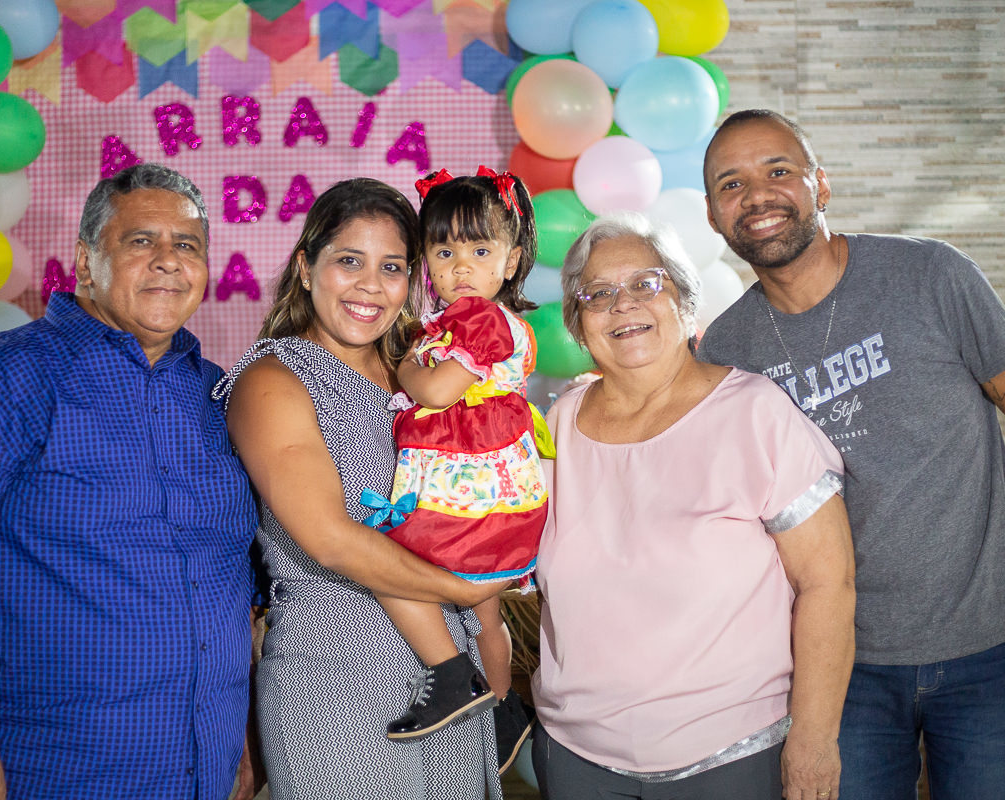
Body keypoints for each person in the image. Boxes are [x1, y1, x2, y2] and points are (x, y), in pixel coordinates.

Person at [0, 164, 258, 800]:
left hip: (200, 764)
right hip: (46, 768)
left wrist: (238, 734)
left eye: (187, 245)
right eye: (141, 241)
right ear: (85, 261)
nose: (168, 261)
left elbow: (229, 573)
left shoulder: (216, 395)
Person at [697, 108, 1005, 799]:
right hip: (837, 668)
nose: (757, 195)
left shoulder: (930, 275)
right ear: (714, 216)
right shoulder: (727, 350)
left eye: (779, 170)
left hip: (990, 647)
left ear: (821, 185)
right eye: (731, 184)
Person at [531, 211, 856, 800]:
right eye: (598, 294)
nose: (623, 304)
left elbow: (827, 583)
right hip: (576, 756)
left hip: (730, 756)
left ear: (683, 299)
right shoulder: (559, 423)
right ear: (578, 324)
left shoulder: (754, 412)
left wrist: (814, 738)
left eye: (645, 283)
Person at [216, 177, 508, 800]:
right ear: (306, 268)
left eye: (392, 267)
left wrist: (489, 617)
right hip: (341, 681)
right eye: (350, 261)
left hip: (453, 680)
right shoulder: (273, 379)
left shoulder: (422, 368)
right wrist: (464, 587)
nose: (371, 285)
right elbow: (330, 538)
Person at [368, 168, 546, 765]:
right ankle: (503, 711)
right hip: (480, 487)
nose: (461, 266)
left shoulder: (480, 319)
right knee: (485, 614)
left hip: (471, 495)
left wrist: (406, 369)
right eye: (444, 252)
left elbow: (438, 391)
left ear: (512, 260)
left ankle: (452, 676)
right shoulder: (454, 323)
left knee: (384, 559)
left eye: (480, 251)